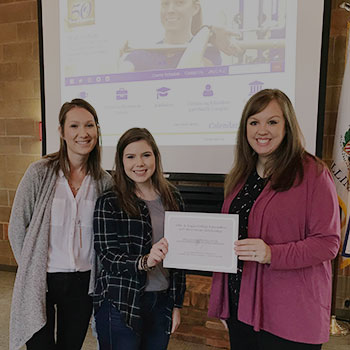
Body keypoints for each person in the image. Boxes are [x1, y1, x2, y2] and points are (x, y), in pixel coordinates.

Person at [208, 89, 340, 350]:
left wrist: (272, 253)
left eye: (272, 121)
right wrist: (225, 302)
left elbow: (328, 243)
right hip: (241, 310)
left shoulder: (312, 173)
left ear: (287, 125)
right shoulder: (240, 175)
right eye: (254, 122)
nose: (262, 130)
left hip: (290, 315)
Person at [8, 99, 113, 350]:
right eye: (74, 125)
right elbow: (16, 226)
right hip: (41, 280)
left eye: (89, 125)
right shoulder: (39, 172)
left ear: (97, 130)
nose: (83, 133)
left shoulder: (105, 182)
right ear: (62, 132)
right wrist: (30, 269)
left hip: (82, 282)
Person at [93, 127, 186, 350]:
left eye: (146, 155)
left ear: (155, 156)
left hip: (161, 301)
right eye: (131, 157)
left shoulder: (173, 198)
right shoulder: (109, 202)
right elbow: (108, 257)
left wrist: (176, 305)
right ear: (121, 161)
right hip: (120, 302)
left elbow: (180, 259)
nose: (139, 163)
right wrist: (145, 261)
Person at [119, 0, 242, 72]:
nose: (170, 10)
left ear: (195, 8)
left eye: (179, 2)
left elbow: (185, 77)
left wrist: (206, 31)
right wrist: (115, 49)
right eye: (165, 3)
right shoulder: (142, 55)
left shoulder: (208, 52)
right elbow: (110, 86)